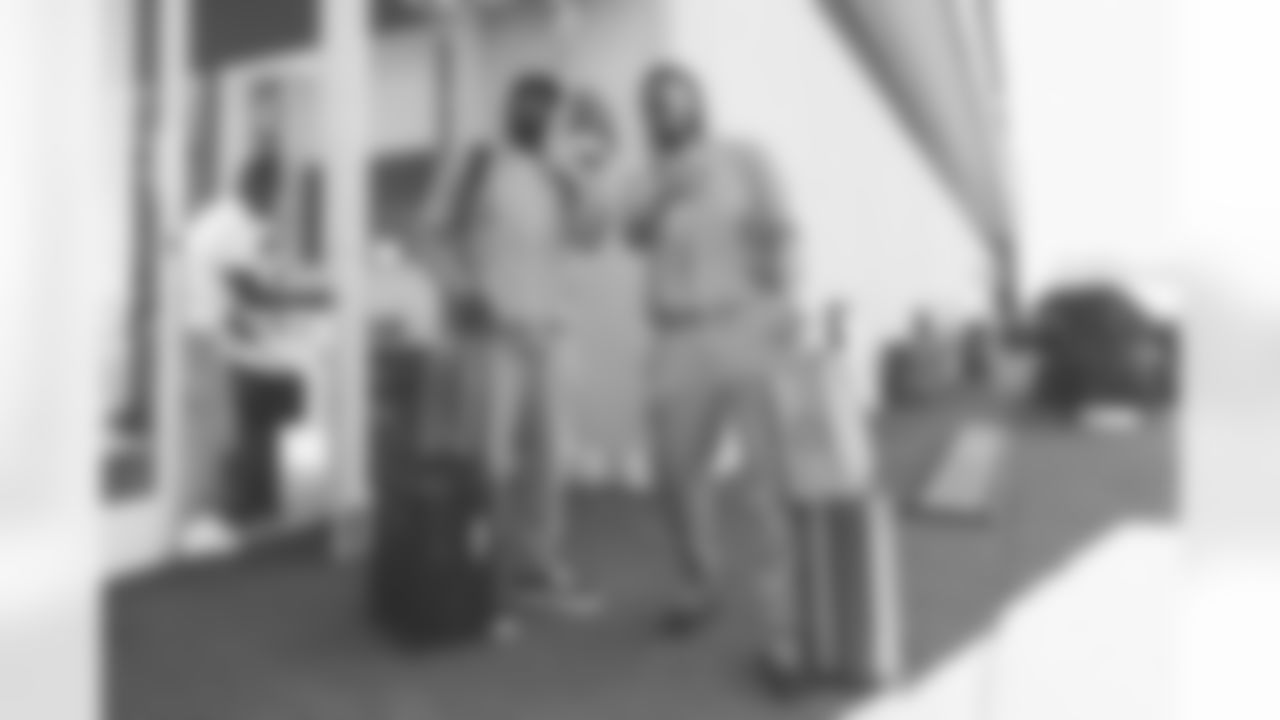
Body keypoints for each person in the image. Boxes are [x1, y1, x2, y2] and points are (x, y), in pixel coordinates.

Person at [623, 62, 801, 682]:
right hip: (675, 338)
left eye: (680, 99)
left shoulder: (745, 158)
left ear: (700, 104)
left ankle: (785, 637)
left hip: (744, 326)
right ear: (650, 118)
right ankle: (700, 582)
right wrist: (666, 189)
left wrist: (785, 307)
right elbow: (631, 233)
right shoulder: (647, 179)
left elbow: (779, 232)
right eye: (658, 104)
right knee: (673, 474)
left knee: (769, 487)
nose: (671, 112)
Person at [465, 71, 599, 618]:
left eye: (549, 110)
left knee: (548, 460)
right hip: (496, 336)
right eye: (529, 106)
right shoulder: (482, 166)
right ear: (513, 111)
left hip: (550, 334)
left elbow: (592, 237)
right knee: (490, 461)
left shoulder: (559, 174)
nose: (538, 117)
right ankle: (478, 577)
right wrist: (468, 294)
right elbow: (436, 235)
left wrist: (574, 180)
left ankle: (538, 570)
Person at [175, 152, 283, 556]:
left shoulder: (219, 217)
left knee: (211, 428)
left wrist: (244, 322)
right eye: (274, 194)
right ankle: (201, 523)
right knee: (215, 433)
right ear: (262, 188)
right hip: (202, 334)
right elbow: (247, 288)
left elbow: (221, 284)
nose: (274, 204)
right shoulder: (237, 224)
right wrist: (301, 300)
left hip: (193, 329)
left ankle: (204, 517)